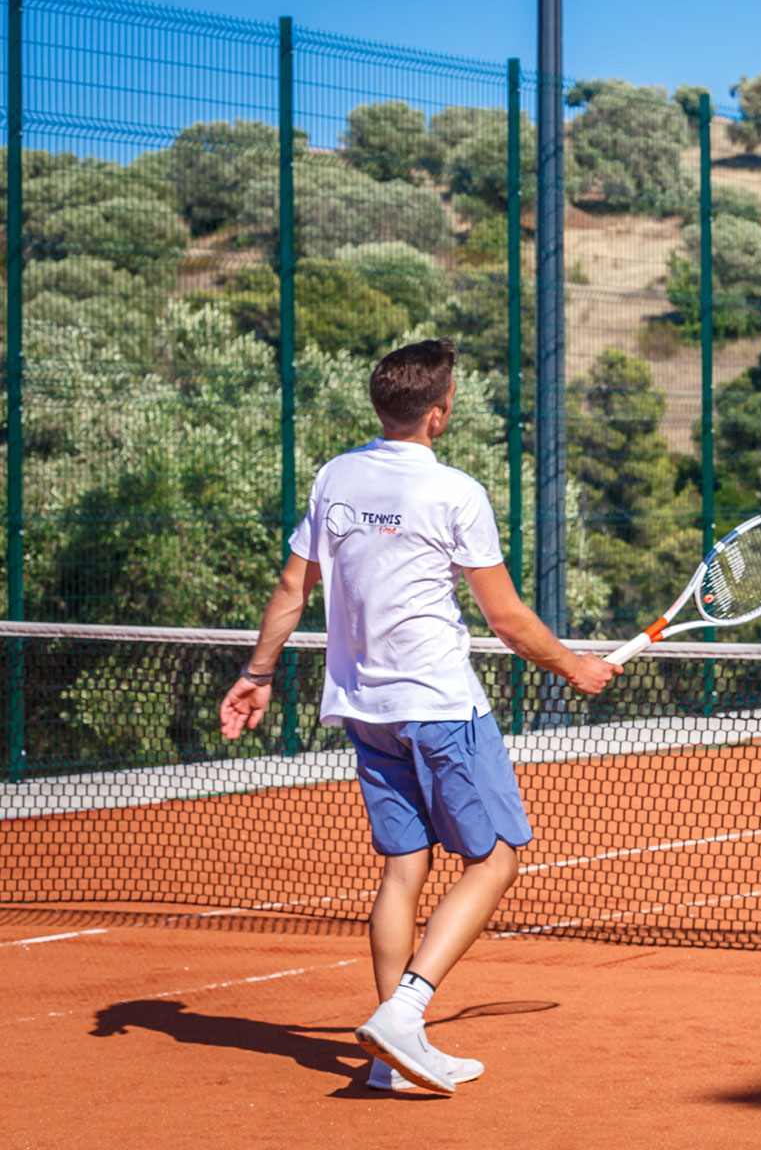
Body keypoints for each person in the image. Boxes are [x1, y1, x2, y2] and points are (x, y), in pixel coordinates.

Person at [218, 338, 619, 1095]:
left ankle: (386, 1056)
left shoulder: (335, 477)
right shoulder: (455, 492)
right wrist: (574, 665)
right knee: (496, 859)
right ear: (439, 413)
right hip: (438, 705)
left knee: (405, 868)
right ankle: (406, 1012)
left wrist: (256, 673)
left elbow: (289, 588)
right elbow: (503, 618)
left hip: (364, 709)